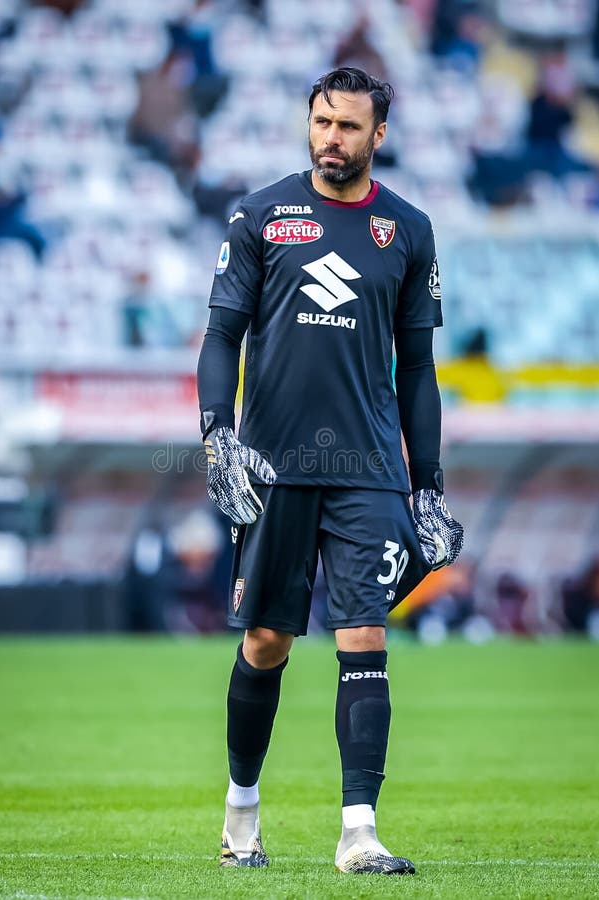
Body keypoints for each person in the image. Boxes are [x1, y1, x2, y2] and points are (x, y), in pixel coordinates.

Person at [196, 66, 464, 876]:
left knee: (364, 635)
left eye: (348, 125)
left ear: (378, 134)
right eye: (320, 121)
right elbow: (220, 338)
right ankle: (241, 811)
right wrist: (216, 436)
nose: (330, 138)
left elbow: (417, 369)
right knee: (268, 642)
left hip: (369, 467)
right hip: (274, 465)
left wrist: (429, 484)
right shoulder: (258, 214)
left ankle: (358, 833)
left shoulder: (408, 229)